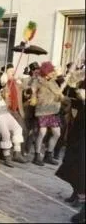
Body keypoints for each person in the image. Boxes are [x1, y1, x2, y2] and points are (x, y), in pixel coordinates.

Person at [56, 79, 85, 208]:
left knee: (81, 165)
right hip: (79, 128)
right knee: (71, 162)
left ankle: (81, 197)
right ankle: (76, 191)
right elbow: (76, 103)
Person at [32, 61, 64, 166]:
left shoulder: (54, 82)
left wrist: (60, 96)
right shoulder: (38, 81)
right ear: (46, 72)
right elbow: (33, 91)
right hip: (43, 110)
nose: (53, 73)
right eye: (51, 71)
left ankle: (48, 154)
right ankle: (37, 156)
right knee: (42, 132)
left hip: (53, 110)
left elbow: (58, 94)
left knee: (57, 133)